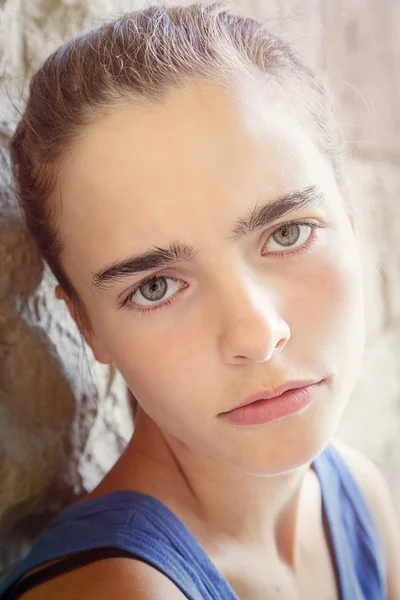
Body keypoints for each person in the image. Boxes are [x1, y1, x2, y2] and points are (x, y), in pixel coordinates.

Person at [0, 3, 399, 599]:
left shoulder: (357, 495)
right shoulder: (115, 591)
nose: (256, 334)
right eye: (154, 286)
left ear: (349, 214)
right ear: (87, 326)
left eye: (287, 233)